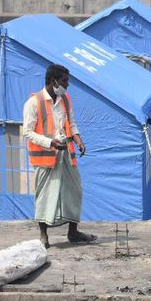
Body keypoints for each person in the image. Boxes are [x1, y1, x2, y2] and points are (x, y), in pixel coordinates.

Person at [23, 64, 96, 249]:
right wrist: (50, 142)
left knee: (74, 190)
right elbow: (27, 132)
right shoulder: (34, 103)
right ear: (53, 81)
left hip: (66, 152)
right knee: (44, 195)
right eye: (64, 81)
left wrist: (78, 140)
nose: (67, 84)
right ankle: (43, 236)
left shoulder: (65, 98)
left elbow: (71, 123)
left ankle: (73, 232)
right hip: (46, 156)